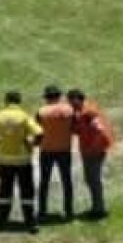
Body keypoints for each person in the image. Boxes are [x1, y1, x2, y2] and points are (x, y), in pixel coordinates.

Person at [0, 91, 43, 234]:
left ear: (6, 101)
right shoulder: (23, 116)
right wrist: (32, 144)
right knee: (26, 191)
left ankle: (2, 221)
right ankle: (29, 221)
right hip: (22, 160)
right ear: (19, 101)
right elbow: (39, 133)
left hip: (4, 159)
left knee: (5, 190)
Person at [67, 89, 115, 219]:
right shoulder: (81, 112)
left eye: (71, 100)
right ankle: (97, 207)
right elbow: (80, 130)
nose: (70, 103)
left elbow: (100, 130)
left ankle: (99, 209)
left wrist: (93, 147)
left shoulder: (88, 112)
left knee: (93, 179)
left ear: (77, 99)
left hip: (94, 151)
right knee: (90, 179)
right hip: (90, 150)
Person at [36, 85, 75, 222]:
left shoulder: (41, 111)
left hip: (47, 150)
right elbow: (74, 127)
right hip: (64, 150)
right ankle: (69, 211)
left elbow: (38, 132)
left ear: (46, 97)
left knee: (44, 182)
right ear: (59, 96)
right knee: (67, 181)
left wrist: (35, 143)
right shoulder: (69, 110)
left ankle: (42, 212)